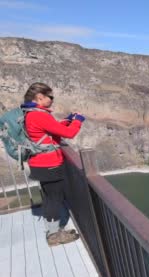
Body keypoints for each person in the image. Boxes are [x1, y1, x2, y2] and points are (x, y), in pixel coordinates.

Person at [22, 82, 85, 246]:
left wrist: (66, 120)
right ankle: (54, 235)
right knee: (54, 199)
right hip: (48, 165)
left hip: (41, 164)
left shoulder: (31, 113)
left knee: (51, 197)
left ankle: (55, 230)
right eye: (50, 97)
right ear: (39, 97)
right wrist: (77, 120)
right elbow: (70, 133)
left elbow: (52, 129)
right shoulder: (39, 115)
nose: (52, 100)